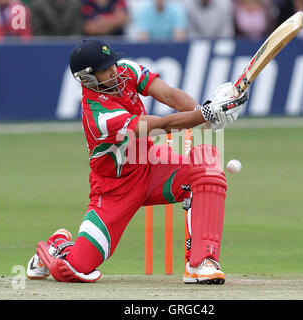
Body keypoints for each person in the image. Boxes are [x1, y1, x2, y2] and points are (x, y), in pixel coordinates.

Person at [26, 38, 248, 284]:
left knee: (206, 161)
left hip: (151, 166)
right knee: (72, 270)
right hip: (115, 189)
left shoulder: (125, 70)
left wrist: (207, 113)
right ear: (88, 78)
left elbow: (168, 94)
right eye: (106, 69)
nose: (114, 70)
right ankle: (55, 246)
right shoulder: (99, 117)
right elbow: (159, 125)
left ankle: (201, 263)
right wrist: (203, 115)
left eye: (113, 63)